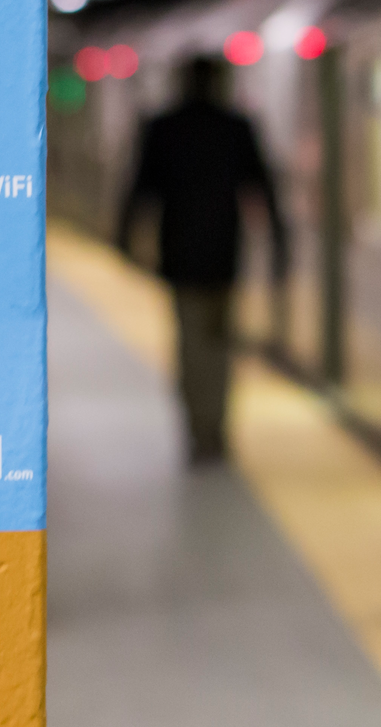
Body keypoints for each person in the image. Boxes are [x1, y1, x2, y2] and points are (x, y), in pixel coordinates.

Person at [117, 55, 288, 463]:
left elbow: (139, 190)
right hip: (226, 256)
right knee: (221, 344)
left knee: (190, 345)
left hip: (178, 258)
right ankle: (216, 429)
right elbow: (265, 190)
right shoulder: (237, 128)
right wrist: (281, 245)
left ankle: (197, 431)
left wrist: (125, 241)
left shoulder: (163, 128)